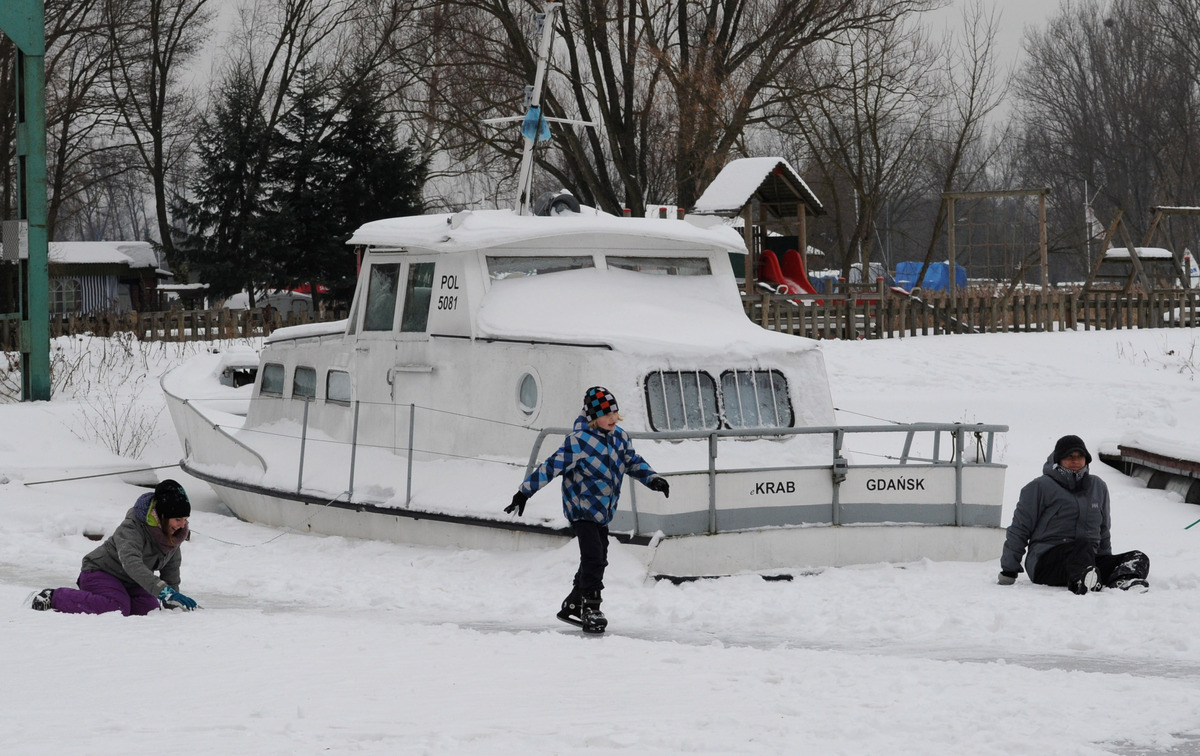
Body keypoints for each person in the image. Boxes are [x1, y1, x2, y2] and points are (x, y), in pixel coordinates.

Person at [505, 386, 669, 633]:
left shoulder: (619, 438)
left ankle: (574, 600)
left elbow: (632, 462)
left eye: (615, 413)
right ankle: (591, 607)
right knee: (593, 556)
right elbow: (550, 467)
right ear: (593, 417)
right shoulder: (578, 442)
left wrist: (653, 478)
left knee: (600, 556)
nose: (613, 418)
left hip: (604, 510)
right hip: (582, 509)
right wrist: (524, 492)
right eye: (606, 414)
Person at [999, 435, 1150, 594]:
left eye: (1080, 456)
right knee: (1081, 546)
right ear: (1059, 459)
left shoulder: (1098, 486)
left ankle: (1122, 580)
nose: (1075, 461)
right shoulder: (1039, 487)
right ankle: (1084, 581)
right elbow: (1020, 528)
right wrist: (1009, 570)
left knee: (1138, 557)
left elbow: (1103, 530)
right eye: (1069, 456)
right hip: (1047, 562)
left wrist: (1106, 562)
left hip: (1087, 558)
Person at [30, 479, 200, 615]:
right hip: (100, 572)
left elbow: (171, 574)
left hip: (131, 582)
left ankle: (120, 598)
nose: (182, 525)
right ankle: (54, 597)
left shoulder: (173, 536)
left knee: (149, 610)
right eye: (178, 519)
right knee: (117, 607)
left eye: (185, 519)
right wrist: (163, 591)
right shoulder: (133, 528)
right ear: (162, 516)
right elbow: (131, 563)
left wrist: (174, 604)